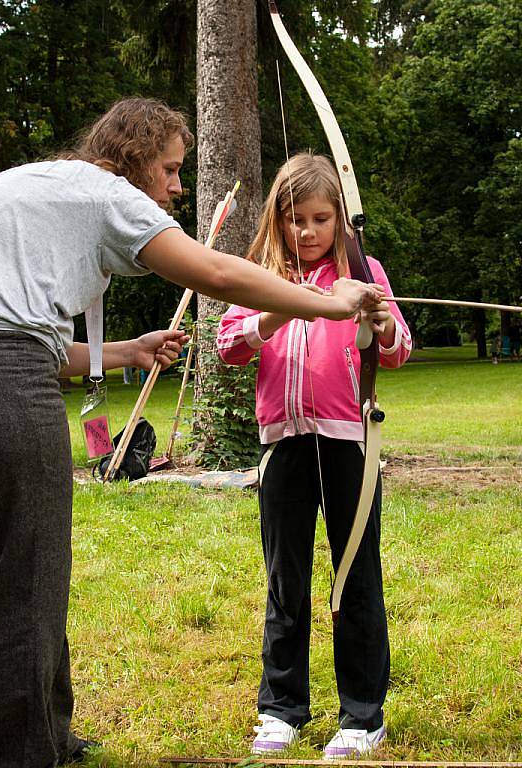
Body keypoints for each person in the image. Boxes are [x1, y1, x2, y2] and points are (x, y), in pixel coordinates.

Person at [0, 101, 383, 768]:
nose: (177, 186)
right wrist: (330, 302)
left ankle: (50, 734)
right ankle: (24, 754)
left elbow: (19, 337)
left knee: (25, 570)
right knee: (29, 583)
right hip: (0, 380)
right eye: (172, 168)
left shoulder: (26, 182)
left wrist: (128, 350)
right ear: (139, 157)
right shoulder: (108, 191)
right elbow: (215, 272)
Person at [216, 153, 412, 761]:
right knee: (286, 577)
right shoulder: (260, 272)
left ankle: (362, 715)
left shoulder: (362, 269)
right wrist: (285, 302)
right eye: (294, 218)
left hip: (350, 441)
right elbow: (228, 345)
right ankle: (281, 709)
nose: (306, 232)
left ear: (341, 221)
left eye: (320, 218)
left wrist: (378, 319)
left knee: (355, 573)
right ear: (277, 219)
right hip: (284, 441)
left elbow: (400, 349)